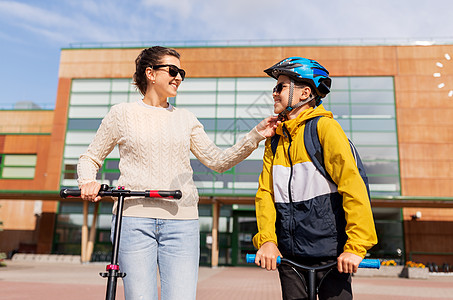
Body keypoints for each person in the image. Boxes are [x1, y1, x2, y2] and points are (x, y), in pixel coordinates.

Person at [77, 46, 279, 300]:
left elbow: (217, 161)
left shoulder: (186, 118)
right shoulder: (122, 114)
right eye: (172, 71)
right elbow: (90, 157)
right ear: (150, 73)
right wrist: (87, 181)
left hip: (182, 222)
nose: (179, 77)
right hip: (133, 221)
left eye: (181, 72)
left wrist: (255, 135)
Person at [252, 57, 378, 300]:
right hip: (289, 256)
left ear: (305, 93)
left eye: (281, 86)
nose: (274, 93)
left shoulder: (325, 128)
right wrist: (267, 241)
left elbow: (353, 187)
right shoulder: (275, 140)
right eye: (275, 87)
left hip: (332, 257)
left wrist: (355, 248)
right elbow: (265, 194)